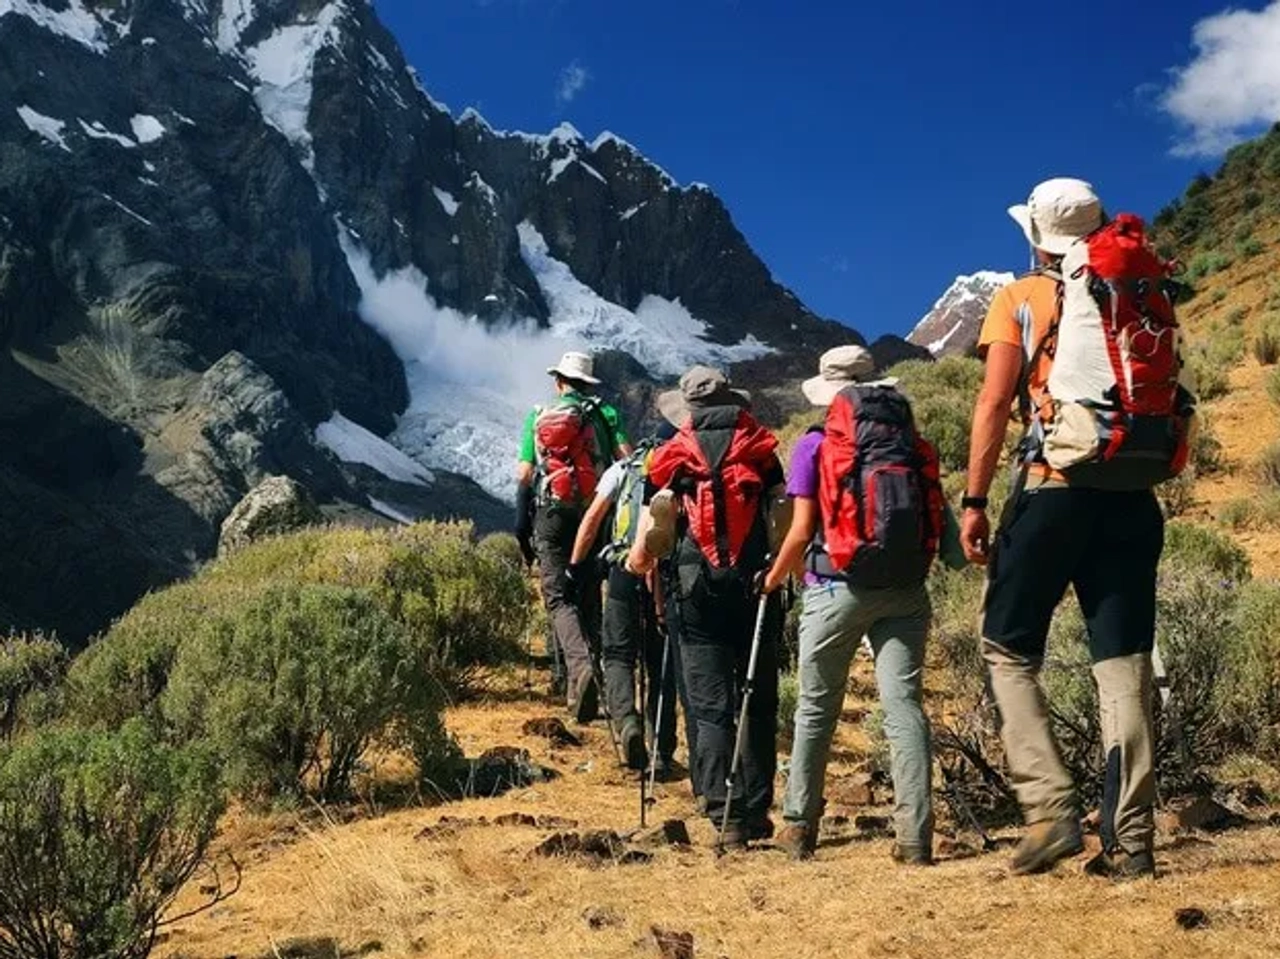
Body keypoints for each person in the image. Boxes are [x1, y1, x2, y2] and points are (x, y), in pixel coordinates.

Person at [962, 178, 1178, 879]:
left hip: (1055, 490)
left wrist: (973, 498)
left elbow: (995, 401)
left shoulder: (1021, 299)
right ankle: (1133, 839)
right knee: (1122, 666)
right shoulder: (1138, 293)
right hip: (1133, 494)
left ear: (1036, 237)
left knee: (1006, 646)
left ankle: (1051, 809)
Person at [762, 345, 965, 864]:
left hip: (834, 587)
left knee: (815, 707)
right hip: (905, 588)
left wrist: (773, 578)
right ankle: (915, 837)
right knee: (903, 706)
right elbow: (942, 526)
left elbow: (803, 528)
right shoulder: (912, 444)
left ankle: (799, 825)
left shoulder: (814, 446)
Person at [626, 366, 785, 850]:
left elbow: (644, 549)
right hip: (757, 585)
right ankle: (757, 809)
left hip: (693, 590)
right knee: (757, 699)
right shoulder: (760, 450)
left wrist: (640, 563)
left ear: (688, 410)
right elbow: (782, 516)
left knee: (710, 705)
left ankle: (725, 814)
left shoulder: (672, 456)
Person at [515, 351, 632, 722]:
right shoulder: (605, 414)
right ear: (588, 383)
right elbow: (627, 461)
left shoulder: (538, 415)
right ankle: (585, 685)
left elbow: (523, 474)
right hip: (592, 514)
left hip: (550, 513)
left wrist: (521, 526)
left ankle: (578, 674)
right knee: (586, 593)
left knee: (556, 598)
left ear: (559, 382)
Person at [568, 422, 679, 775]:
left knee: (617, 653)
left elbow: (592, 518)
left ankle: (626, 723)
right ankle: (661, 749)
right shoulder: (680, 470)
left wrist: (575, 566)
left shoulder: (623, 468)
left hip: (622, 568)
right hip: (664, 574)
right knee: (659, 659)